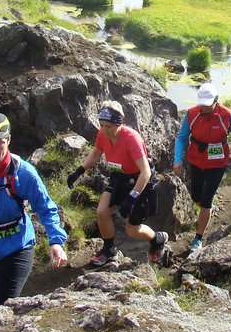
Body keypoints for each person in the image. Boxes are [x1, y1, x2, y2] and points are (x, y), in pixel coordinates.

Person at [0, 113, 68, 310]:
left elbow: (46, 207)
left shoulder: (23, 173)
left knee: (2, 306)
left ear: (8, 140)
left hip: (17, 246)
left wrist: (56, 241)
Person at [65, 101, 168, 266]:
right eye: (101, 125)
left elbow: (146, 172)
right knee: (102, 212)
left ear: (119, 123)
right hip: (119, 177)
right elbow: (96, 152)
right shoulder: (103, 134)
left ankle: (157, 239)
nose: (105, 130)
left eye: (109, 126)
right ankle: (109, 251)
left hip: (139, 181)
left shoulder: (131, 138)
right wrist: (79, 170)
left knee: (131, 230)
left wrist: (132, 198)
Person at [172, 84, 231, 251]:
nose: (204, 108)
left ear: (216, 100)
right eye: (202, 104)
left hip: (217, 162)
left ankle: (198, 237)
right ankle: (206, 209)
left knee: (206, 200)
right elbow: (182, 137)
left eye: (208, 105)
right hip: (196, 159)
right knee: (196, 196)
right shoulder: (192, 113)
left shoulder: (226, 114)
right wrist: (177, 160)